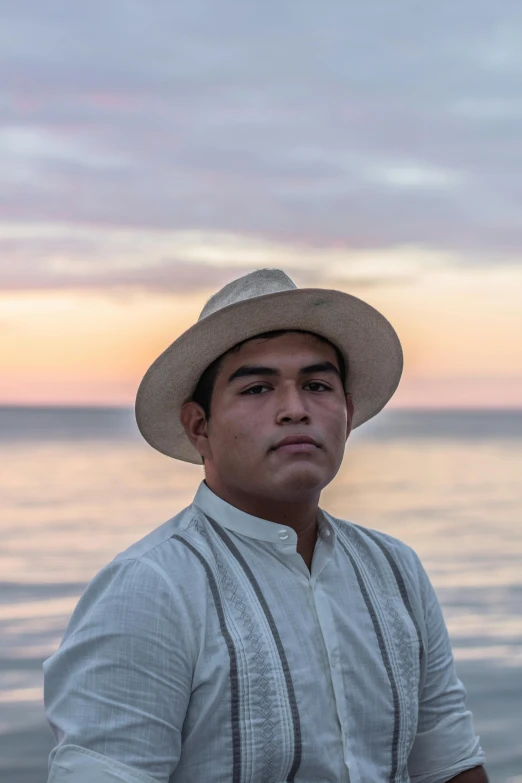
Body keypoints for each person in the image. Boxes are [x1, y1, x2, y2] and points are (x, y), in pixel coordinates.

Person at [43, 269, 488, 782]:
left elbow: (449, 763)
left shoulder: (394, 569)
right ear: (199, 426)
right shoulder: (152, 587)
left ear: (345, 412)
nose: (295, 410)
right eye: (257, 388)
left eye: (318, 386)